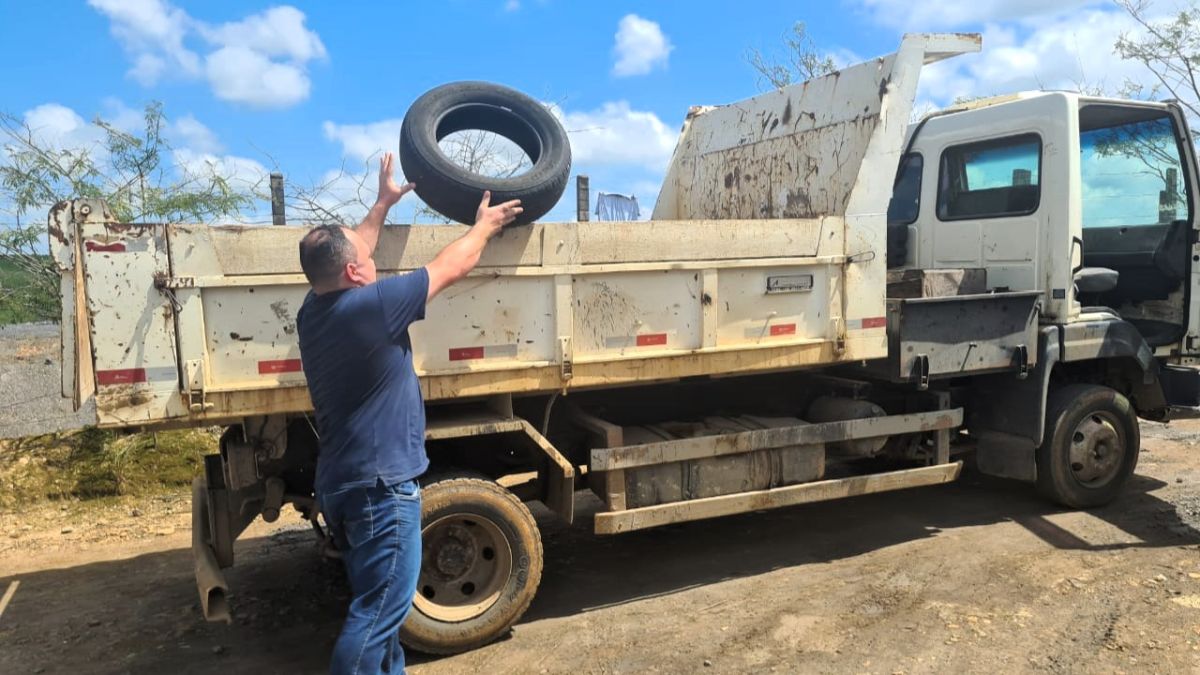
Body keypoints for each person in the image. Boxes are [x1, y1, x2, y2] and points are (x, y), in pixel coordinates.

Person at [296, 151, 522, 674]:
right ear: (354, 273)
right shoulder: (372, 307)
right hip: (380, 487)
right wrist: (484, 225)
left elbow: (357, 247)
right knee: (378, 612)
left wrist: (380, 205)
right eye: (364, 258)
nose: (373, 260)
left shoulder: (316, 308)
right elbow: (453, 264)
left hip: (345, 483)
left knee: (382, 610)